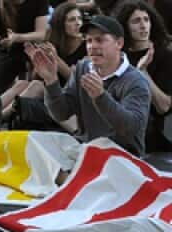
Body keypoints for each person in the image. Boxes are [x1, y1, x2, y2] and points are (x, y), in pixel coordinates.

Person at [33, 14, 151, 155]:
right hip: (85, 149)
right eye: (88, 40)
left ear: (119, 43)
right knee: (38, 151)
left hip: (122, 158)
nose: (92, 46)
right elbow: (61, 113)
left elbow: (131, 128)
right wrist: (51, 81)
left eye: (100, 40)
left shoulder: (136, 81)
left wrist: (101, 97)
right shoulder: (83, 68)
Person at [114, 0, 172, 152]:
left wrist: (142, 72)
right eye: (136, 21)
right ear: (125, 26)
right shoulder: (118, 56)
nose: (143, 25)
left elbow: (164, 106)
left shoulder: (165, 56)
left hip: (151, 131)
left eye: (146, 20)